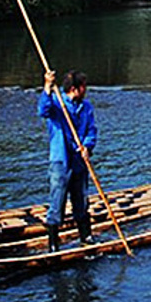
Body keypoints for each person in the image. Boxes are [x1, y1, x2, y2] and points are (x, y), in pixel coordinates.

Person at [38, 69, 98, 252]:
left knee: (81, 198)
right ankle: (54, 243)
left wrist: (87, 147)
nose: (85, 90)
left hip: (79, 161)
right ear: (75, 89)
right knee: (58, 200)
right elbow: (42, 110)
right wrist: (47, 85)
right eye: (83, 87)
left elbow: (92, 131)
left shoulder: (86, 107)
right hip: (61, 160)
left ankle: (85, 236)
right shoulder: (57, 103)